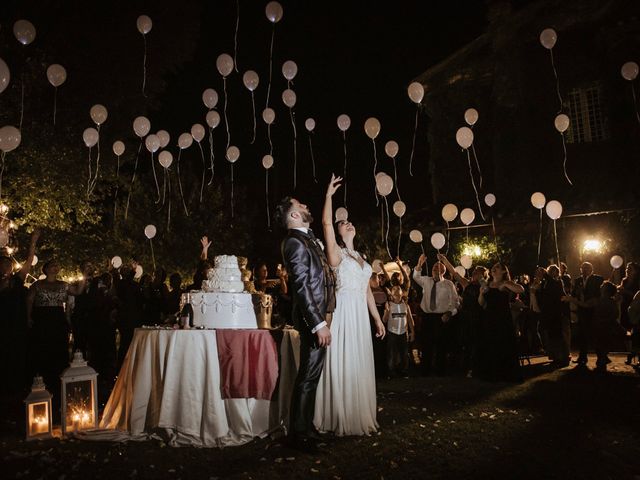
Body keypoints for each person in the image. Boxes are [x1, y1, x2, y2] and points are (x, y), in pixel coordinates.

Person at [313, 174, 385, 437]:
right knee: (342, 359)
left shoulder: (361, 257)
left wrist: (377, 319)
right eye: (343, 223)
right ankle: (340, 412)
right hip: (343, 312)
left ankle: (357, 411)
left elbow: (367, 291)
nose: (347, 224)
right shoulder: (337, 254)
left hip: (360, 316)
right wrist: (329, 196)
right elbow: (325, 223)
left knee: (358, 361)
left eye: (349, 222)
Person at [275, 193, 335, 452]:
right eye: (301, 205)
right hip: (313, 318)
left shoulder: (306, 239)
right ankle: (300, 436)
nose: (306, 206)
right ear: (294, 215)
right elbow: (301, 287)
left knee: (312, 375)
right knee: (308, 377)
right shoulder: (294, 243)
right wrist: (317, 323)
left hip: (320, 315)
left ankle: (306, 428)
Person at [26, 259, 88, 399]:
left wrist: (84, 275)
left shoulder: (63, 285)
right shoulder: (37, 285)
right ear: (46, 269)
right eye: (52, 265)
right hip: (42, 319)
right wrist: (28, 317)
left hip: (57, 319)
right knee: (42, 348)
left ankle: (58, 379)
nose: (56, 267)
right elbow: (29, 301)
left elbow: (78, 291)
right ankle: (41, 379)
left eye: (57, 265)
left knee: (59, 348)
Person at [0, 228, 39, 393]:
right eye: (3, 264)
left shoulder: (17, 279)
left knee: (17, 355)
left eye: (8, 264)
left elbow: (29, 262)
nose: (7, 266)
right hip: (2, 325)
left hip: (17, 323)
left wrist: (33, 242)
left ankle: (17, 386)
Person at [438, 253, 486, 376]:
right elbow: (454, 273)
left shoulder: (486, 287)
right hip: (465, 317)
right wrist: (444, 260)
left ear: (482, 275)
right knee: (464, 342)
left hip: (477, 318)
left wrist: (483, 283)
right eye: (474, 271)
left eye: (477, 271)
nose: (474, 273)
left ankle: (475, 368)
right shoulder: (466, 284)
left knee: (476, 344)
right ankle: (463, 368)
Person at [477, 262, 524, 382]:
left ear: (503, 271)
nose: (494, 268)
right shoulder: (487, 284)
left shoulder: (505, 283)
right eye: (493, 267)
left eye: (497, 267)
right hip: (489, 318)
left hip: (503, 318)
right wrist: (481, 293)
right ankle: (491, 373)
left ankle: (505, 373)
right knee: (490, 344)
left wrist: (506, 283)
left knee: (503, 343)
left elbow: (521, 289)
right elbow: (481, 303)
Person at [412, 255, 459, 376]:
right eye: (433, 267)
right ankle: (425, 370)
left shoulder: (449, 284)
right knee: (426, 345)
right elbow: (415, 276)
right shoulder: (426, 281)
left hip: (441, 318)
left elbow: (456, 302)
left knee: (441, 346)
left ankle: (440, 371)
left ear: (443, 271)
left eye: (437, 267)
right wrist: (419, 264)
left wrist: (449, 313)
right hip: (427, 317)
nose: (434, 268)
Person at [564, 281, 621, 372]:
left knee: (599, 341)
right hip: (603, 326)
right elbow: (615, 315)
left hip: (601, 327)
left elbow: (584, 304)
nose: (600, 286)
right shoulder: (609, 301)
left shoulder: (598, 300)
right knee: (601, 342)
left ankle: (602, 359)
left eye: (603, 286)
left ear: (605, 290)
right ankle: (602, 358)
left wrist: (572, 300)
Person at [571, 262, 604, 366]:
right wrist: (577, 292)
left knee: (595, 334)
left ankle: (601, 357)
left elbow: (599, 293)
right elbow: (574, 294)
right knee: (582, 334)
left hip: (593, 309)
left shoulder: (598, 279)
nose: (584, 270)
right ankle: (582, 357)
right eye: (582, 268)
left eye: (586, 268)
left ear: (591, 269)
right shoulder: (578, 280)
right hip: (582, 309)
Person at [539, 265, 569, 367]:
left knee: (557, 334)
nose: (552, 273)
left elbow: (558, 294)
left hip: (555, 312)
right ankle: (555, 356)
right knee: (551, 334)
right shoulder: (545, 282)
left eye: (554, 271)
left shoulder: (558, 282)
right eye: (550, 271)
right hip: (547, 312)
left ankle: (562, 356)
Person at [383, 285, 414, 377]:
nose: (396, 291)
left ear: (402, 293)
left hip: (403, 333)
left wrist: (413, 332)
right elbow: (384, 320)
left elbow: (410, 320)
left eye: (399, 289)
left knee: (404, 354)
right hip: (392, 333)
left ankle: (404, 371)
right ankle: (391, 372)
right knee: (392, 354)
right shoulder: (388, 304)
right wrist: (387, 312)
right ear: (391, 293)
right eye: (394, 289)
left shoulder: (406, 305)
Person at [618, 262, 639, 365]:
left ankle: (637, 354)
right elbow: (622, 292)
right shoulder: (624, 280)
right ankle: (630, 353)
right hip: (625, 307)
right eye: (626, 268)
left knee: (636, 331)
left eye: (630, 268)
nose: (627, 269)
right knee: (625, 330)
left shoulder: (638, 281)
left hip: (636, 308)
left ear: (635, 271)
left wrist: (624, 292)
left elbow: (636, 295)